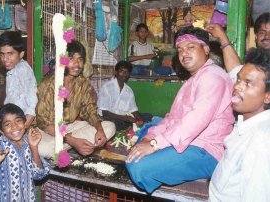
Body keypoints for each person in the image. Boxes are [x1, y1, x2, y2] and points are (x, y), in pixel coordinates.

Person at [126, 26, 235, 194]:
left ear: (205, 49)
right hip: (188, 142)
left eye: (191, 47)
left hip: (205, 150)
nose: (184, 53)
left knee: (137, 165)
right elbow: (172, 119)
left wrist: (155, 144)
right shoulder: (193, 79)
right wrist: (150, 138)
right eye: (180, 50)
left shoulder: (213, 77)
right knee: (147, 131)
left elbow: (195, 121)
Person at [36, 40, 116, 158]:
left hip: (69, 126)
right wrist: (72, 140)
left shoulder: (82, 82)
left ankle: (67, 146)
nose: (77, 64)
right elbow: (43, 123)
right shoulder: (49, 84)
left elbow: (90, 110)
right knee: (44, 149)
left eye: (80, 59)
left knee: (109, 127)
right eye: (71, 59)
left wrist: (99, 129)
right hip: (49, 130)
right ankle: (73, 144)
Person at [209, 48, 270, 201]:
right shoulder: (246, 121)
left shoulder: (261, 142)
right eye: (238, 79)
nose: (237, 87)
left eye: (248, 83)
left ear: (267, 97)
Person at [0, 103, 50, 201]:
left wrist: (34, 147)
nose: (14, 127)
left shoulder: (29, 142)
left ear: (25, 123)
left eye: (18, 121)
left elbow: (39, 174)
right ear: (1, 131)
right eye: (7, 124)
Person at [206, 12, 270, 78]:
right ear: (256, 37)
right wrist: (223, 38)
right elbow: (237, 74)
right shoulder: (253, 59)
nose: (267, 36)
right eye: (262, 32)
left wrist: (223, 38)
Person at [97, 61, 149, 131]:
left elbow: (133, 110)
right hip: (107, 118)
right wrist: (124, 118)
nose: (124, 74)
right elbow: (104, 112)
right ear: (116, 72)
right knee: (117, 123)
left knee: (147, 117)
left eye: (127, 72)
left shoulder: (129, 90)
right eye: (121, 71)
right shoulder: (107, 87)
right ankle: (128, 126)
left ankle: (132, 125)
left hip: (123, 117)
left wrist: (141, 121)